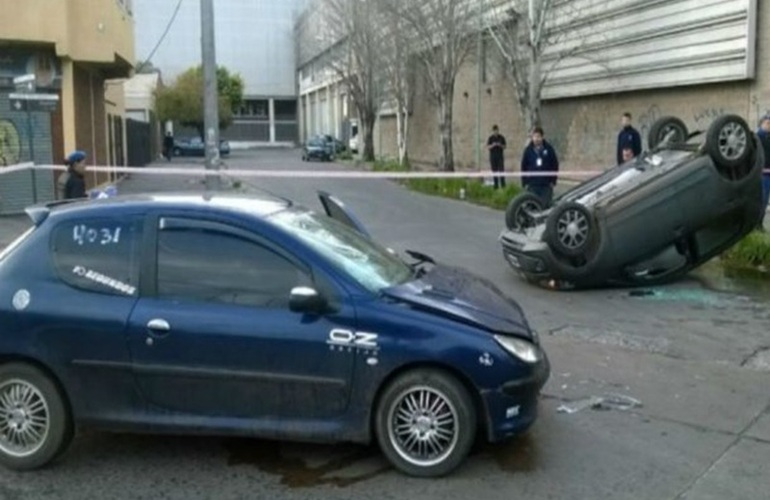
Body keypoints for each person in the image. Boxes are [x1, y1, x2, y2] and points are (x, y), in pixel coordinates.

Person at [521, 126, 559, 205]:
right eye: (534, 137)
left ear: (542, 137)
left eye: (538, 136)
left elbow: (555, 164)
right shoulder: (528, 150)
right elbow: (523, 166)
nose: (536, 139)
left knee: (545, 206)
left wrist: (553, 181)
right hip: (532, 184)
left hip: (546, 185)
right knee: (531, 205)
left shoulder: (549, 149)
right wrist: (524, 182)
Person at [757, 115, 770, 231]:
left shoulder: (767, 137)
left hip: (767, 173)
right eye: (767, 123)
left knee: (765, 200)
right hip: (763, 174)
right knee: (762, 199)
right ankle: (758, 224)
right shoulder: (758, 137)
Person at [487, 124, 507, 189]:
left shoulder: (501, 137)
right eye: (494, 131)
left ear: (498, 130)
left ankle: (503, 185)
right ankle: (496, 186)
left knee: (501, 170)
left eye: (497, 130)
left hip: (500, 156)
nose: (496, 132)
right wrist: (493, 145)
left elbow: (505, 146)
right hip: (493, 157)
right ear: (493, 131)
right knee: (494, 171)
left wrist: (500, 145)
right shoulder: (490, 138)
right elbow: (488, 147)